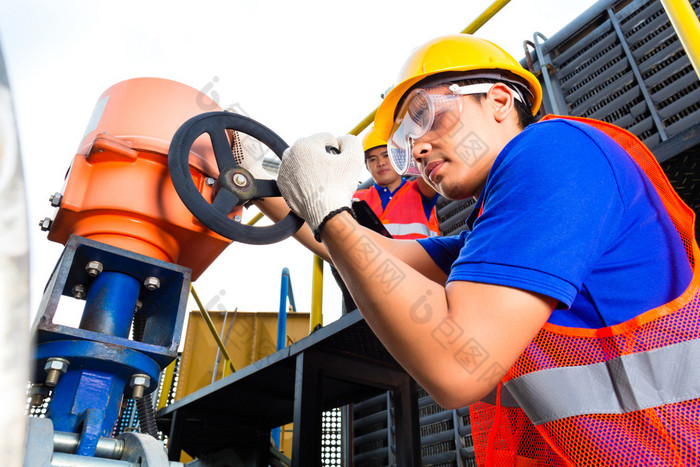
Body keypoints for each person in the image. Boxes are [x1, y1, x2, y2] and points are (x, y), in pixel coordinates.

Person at [276, 34, 699, 466]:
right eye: (406, 139)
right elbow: (378, 255)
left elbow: (459, 363)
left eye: (425, 116)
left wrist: (330, 212)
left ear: (498, 101)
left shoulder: (553, 152)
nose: (417, 149)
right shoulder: (490, 233)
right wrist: (269, 187)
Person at [354, 125, 440, 239]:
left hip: (421, 257)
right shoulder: (356, 199)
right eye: (373, 159)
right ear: (366, 166)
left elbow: (425, 158)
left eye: (386, 155)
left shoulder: (420, 191)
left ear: (399, 156)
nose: (381, 163)